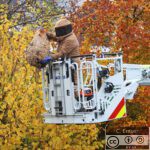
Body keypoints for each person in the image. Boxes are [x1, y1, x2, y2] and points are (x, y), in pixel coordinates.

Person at [40, 17, 80, 98]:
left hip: (73, 65)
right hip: (66, 64)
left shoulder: (71, 39)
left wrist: (50, 57)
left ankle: (77, 100)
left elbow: (61, 53)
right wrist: (47, 34)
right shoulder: (65, 37)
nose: (59, 32)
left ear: (65, 29)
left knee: (73, 85)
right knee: (63, 85)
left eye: (60, 30)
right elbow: (57, 37)